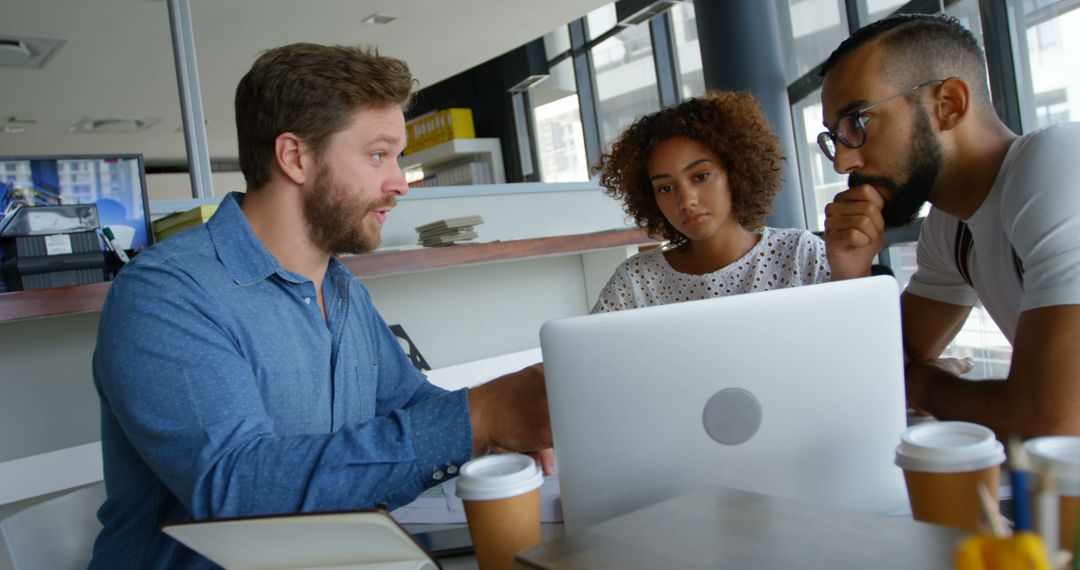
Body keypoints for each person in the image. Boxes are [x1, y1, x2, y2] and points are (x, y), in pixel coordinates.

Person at [89, 43, 552, 569]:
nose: (400, 181)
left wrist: (508, 428)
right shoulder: (166, 294)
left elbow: (409, 406)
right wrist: (481, 415)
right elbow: (236, 489)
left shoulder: (341, 289)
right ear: (295, 157)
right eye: (378, 155)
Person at [819, 14, 1080, 439]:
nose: (843, 162)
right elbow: (888, 365)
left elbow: (1054, 422)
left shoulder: (1059, 164)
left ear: (949, 104)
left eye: (859, 124)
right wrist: (851, 271)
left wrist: (926, 386)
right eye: (835, 136)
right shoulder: (951, 227)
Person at [591, 91, 830, 313]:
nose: (686, 200)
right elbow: (585, 354)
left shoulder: (800, 254)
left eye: (701, 176)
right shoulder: (636, 281)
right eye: (665, 188)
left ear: (736, 171)